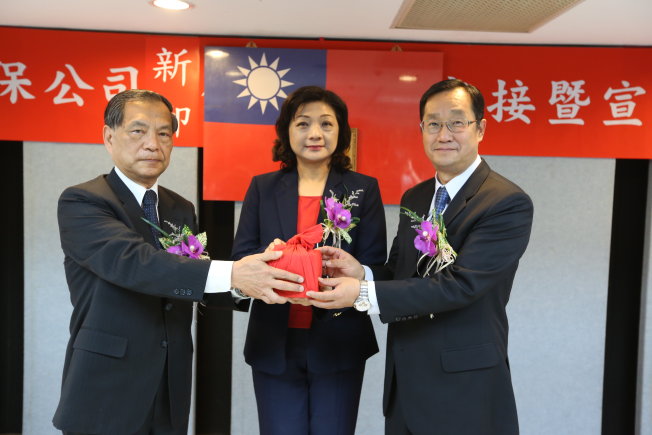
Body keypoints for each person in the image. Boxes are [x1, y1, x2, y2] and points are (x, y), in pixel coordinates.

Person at [52, 89, 304, 435]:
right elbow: (135, 263)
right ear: (109, 137)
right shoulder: (84, 201)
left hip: (170, 379)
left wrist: (259, 279)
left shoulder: (180, 207)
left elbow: (190, 278)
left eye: (164, 133)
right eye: (138, 131)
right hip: (107, 383)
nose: (153, 144)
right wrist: (235, 272)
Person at [308, 79, 534, 435]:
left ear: (481, 129)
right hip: (405, 383)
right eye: (433, 123)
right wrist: (361, 273)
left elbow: (461, 285)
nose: (444, 133)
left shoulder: (505, 202)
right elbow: (401, 271)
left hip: (464, 390)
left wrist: (362, 294)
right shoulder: (416, 196)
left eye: (457, 122)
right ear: (422, 130)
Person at [232, 86, 387, 435]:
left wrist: (355, 272)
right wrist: (266, 260)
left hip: (340, 340)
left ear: (341, 132)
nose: (315, 133)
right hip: (274, 340)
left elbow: (379, 265)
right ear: (287, 131)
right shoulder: (263, 188)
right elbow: (241, 259)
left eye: (326, 124)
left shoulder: (363, 189)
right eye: (303, 123)